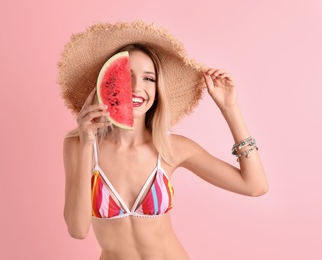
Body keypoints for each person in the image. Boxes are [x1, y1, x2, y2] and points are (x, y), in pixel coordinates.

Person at [59, 21, 268, 260]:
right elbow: (77, 229)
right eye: (126, 77)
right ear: (107, 84)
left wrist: (230, 109)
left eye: (149, 79)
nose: (137, 87)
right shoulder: (78, 146)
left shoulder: (172, 148)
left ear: (158, 90)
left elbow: (255, 186)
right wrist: (87, 142)